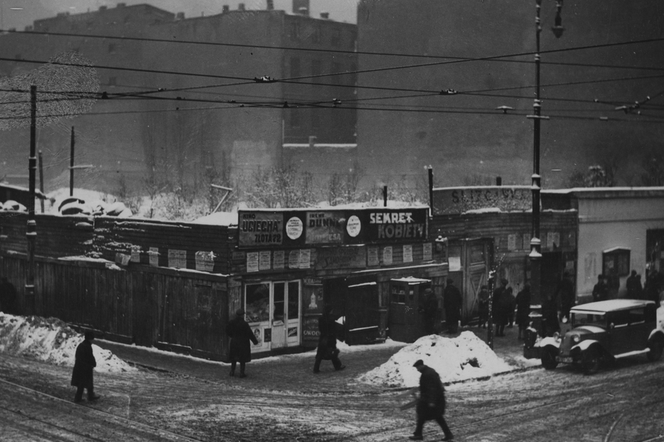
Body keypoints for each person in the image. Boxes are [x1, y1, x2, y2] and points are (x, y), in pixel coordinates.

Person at [409, 359, 454, 441]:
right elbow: (429, 386)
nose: (417, 369)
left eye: (417, 367)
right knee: (424, 416)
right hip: (432, 399)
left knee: (434, 417)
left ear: (421, 366)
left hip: (433, 400)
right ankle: (418, 434)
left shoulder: (428, 374)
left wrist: (431, 401)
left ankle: (448, 434)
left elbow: (432, 388)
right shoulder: (428, 372)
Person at [226, 308, 259, 378]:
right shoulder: (244, 324)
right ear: (242, 315)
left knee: (234, 358)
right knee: (242, 359)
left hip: (234, 342)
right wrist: (255, 341)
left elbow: (227, 330)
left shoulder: (232, 322)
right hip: (243, 343)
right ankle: (242, 373)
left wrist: (232, 336)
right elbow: (250, 334)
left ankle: (232, 371)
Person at [313, 306, 345, 373]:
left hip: (323, 338)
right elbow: (334, 329)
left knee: (320, 354)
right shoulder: (331, 319)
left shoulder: (321, 319)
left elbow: (320, 328)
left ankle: (316, 368)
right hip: (330, 338)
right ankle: (337, 366)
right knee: (333, 351)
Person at [71, 331, 100, 403]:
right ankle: (81, 398)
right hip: (84, 368)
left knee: (83, 384)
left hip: (81, 367)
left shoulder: (82, 345)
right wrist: (92, 363)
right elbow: (90, 356)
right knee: (83, 384)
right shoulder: (87, 346)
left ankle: (86, 396)